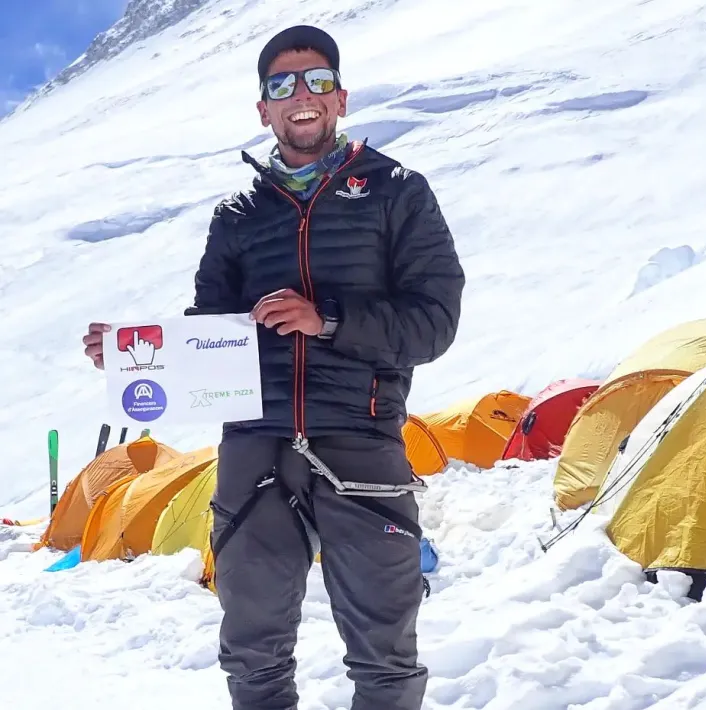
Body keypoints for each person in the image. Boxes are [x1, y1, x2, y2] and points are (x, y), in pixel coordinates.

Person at [82, 24, 465, 710]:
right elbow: (211, 331)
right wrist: (135, 348)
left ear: (341, 98)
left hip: (361, 439)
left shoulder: (397, 192)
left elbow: (434, 322)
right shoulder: (239, 215)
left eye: (317, 80)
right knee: (252, 653)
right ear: (264, 110)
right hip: (254, 446)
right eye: (281, 86)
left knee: (386, 655)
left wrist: (329, 320)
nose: (301, 95)